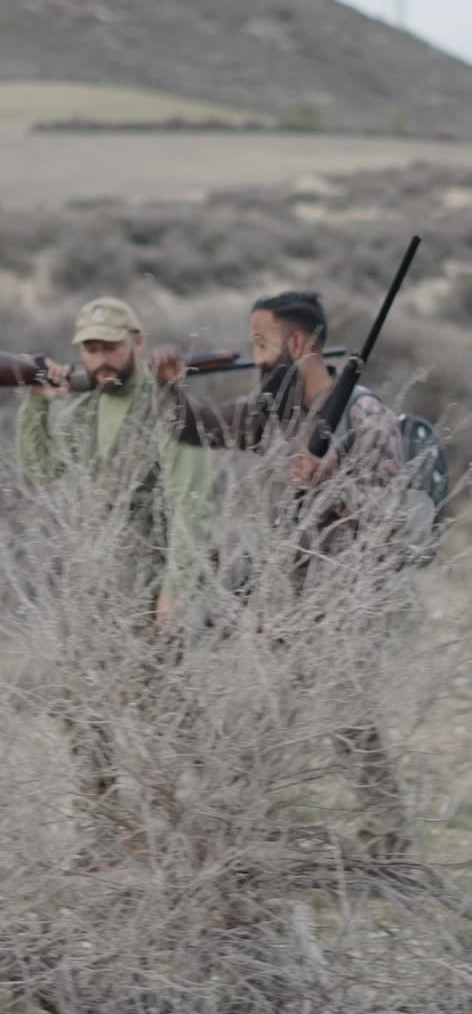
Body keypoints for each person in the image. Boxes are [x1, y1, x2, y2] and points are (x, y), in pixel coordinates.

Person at [151, 290, 411, 857]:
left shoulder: (366, 415)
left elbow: (394, 514)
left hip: (343, 601)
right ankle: (243, 836)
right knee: (260, 714)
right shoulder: (275, 411)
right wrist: (170, 386)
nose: (256, 357)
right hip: (283, 601)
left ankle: (389, 845)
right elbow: (195, 427)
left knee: (349, 723)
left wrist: (331, 483)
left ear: (295, 344)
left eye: (261, 344)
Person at [17, 296, 211, 825]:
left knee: (161, 711)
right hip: (93, 585)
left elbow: (193, 501)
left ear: (138, 344)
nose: (101, 359)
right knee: (79, 707)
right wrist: (37, 404)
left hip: (148, 584)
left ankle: (205, 809)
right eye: (92, 349)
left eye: (112, 348)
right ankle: (100, 825)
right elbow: (40, 472)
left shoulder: (167, 406)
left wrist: (176, 587)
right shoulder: (82, 408)